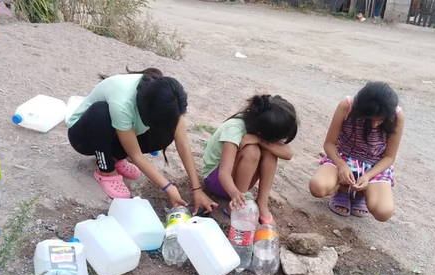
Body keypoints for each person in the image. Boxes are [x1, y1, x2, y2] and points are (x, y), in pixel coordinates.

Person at [67, 68, 216, 214]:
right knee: (100, 112)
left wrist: (197, 189)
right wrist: (169, 187)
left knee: (166, 132)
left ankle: (115, 158)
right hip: (84, 137)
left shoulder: (170, 99)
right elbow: (136, 154)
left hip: (115, 133)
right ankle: (105, 170)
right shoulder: (123, 102)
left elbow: (182, 144)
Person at [308, 82, 404, 222]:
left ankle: (362, 192)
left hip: (374, 164)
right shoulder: (347, 106)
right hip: (344, 156)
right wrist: (341, 165)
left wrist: (368, 176)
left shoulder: (397, 116)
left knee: (384, 212)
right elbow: (329, 144)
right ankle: (342, 188)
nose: (374, 124)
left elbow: (389, 157)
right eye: (370, 119)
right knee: (318, 187)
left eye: (380, 120)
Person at [201, 95, 298, 224]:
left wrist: (260, 141)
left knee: (271, 152)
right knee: (251, 150)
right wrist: (235, 194)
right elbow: (223, 173)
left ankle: (262, 204)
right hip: (217, 180)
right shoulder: (234, 129)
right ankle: (237, 206)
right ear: (263, 131)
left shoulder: (261, 126)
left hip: (240, 184)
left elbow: (288, 154)